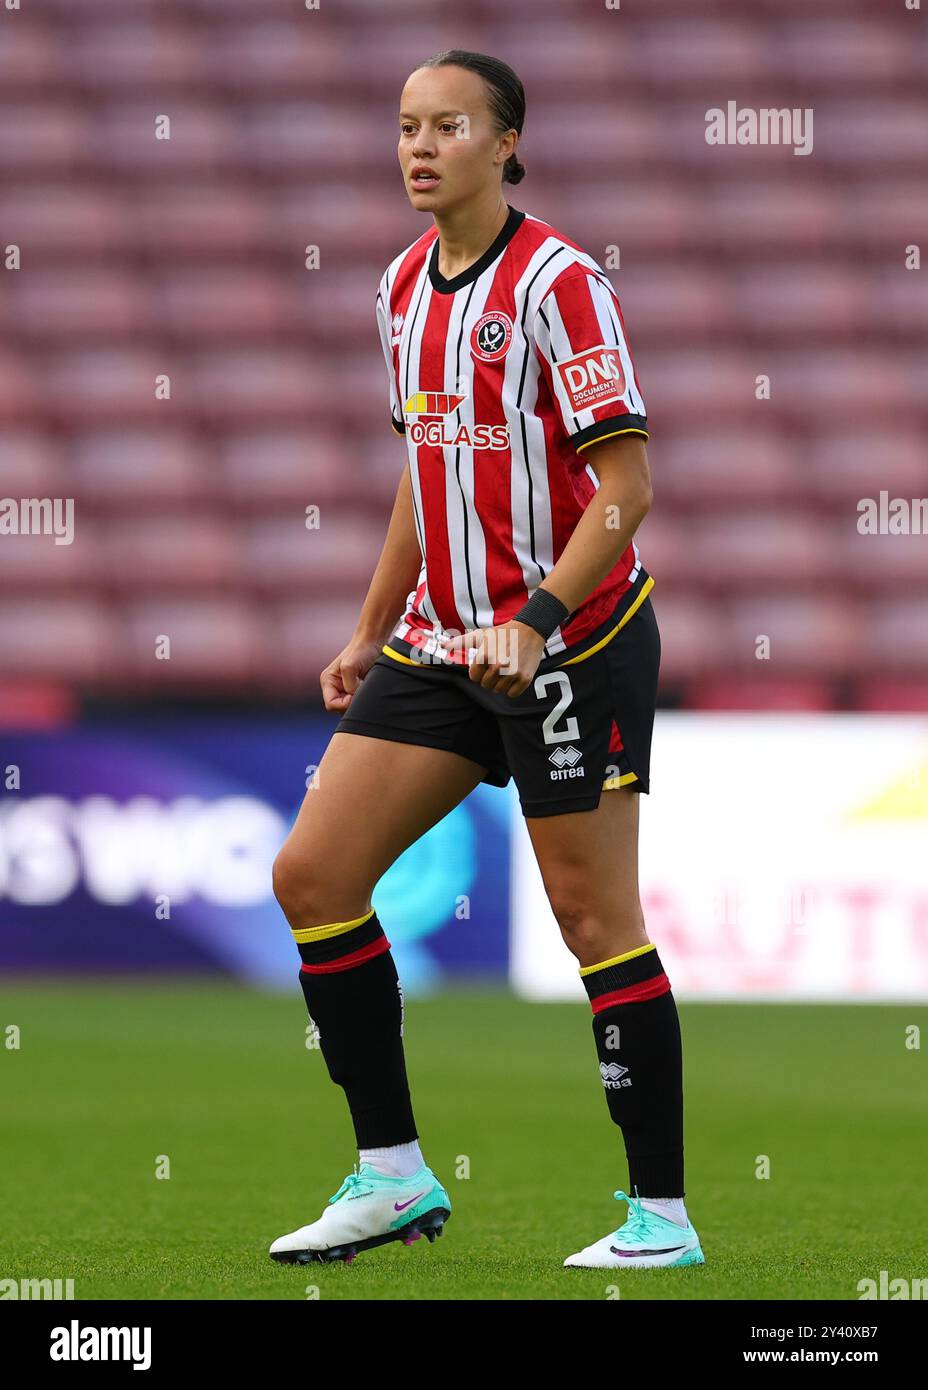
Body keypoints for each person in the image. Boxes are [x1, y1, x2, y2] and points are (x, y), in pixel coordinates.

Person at [269, 49, 703, 1271]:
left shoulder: (563, 284)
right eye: (406, 126)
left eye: (446, 126)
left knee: (591, 918)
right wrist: (369, 626)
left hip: (574, 642)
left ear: (506, 143)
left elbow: (628, 487)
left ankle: (658, 1218)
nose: (419, 146)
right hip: (442, 645)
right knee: (313, 875)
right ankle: (392, 1176)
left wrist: (542, 616)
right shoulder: (401, 287)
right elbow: (427, 477)